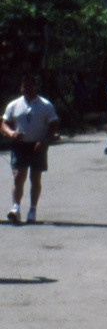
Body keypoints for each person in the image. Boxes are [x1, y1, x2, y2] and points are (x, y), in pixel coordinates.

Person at [3, 74, 60, 225]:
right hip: (20, 145)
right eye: (24, 86)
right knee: (18, 176)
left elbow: (54, 124)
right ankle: (15, 208)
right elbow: (4, 123)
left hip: (37, 146)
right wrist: (11, 133)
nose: (27, 89)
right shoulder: (13, 105)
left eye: (30, 86)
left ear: (34, 87)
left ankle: (32, 210)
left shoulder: (45, 105)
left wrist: (44, 141)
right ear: (21, 88)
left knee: (35, 178)